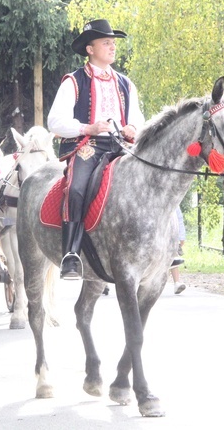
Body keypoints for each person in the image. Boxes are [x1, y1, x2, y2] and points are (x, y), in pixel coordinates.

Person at [47, 19, 145, 279]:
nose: (112, 47)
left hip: (121, 145)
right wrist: (87, 128)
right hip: (88, 146)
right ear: (90, 49)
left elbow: (137, 117)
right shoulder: (73, 81)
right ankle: (71, 253)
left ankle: (162, 245)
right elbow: (55, 122)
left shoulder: (126, 83)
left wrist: (133, 127)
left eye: (113, 43)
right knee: (77, 188)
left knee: (149, 177)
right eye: (106, 42)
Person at [170, 207, 186, 294]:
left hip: (170, 233)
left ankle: (177, 283)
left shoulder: (174, 202)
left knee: (173, 255)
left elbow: (178, 217)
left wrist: (181, 236)